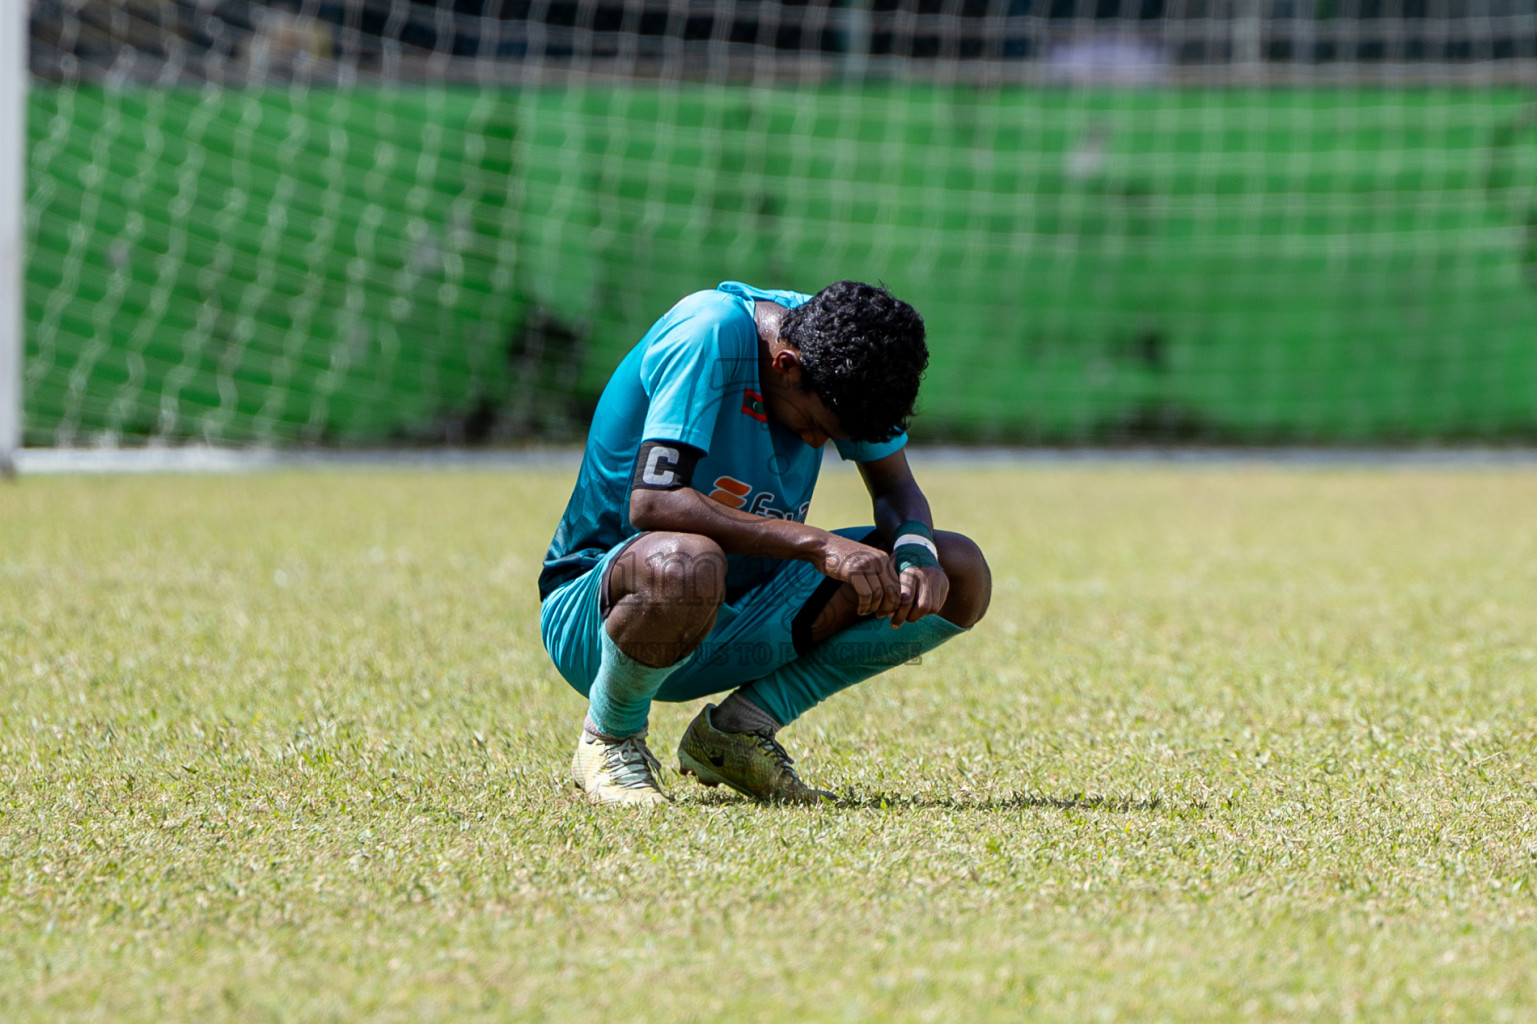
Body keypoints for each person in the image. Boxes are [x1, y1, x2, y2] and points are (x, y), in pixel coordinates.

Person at [538, 281, 991, 806]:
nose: (820, 444)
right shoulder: (708, 333)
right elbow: (654, 503)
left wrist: (916, 555)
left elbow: (895, 488)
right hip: (604, 613)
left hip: (740, 612)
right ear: (785, 366)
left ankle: (737, 732)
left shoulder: (853, 350)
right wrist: (818, 545)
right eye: (816, 427)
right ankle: (609, 739)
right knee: (689, 562)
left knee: (959, 569)